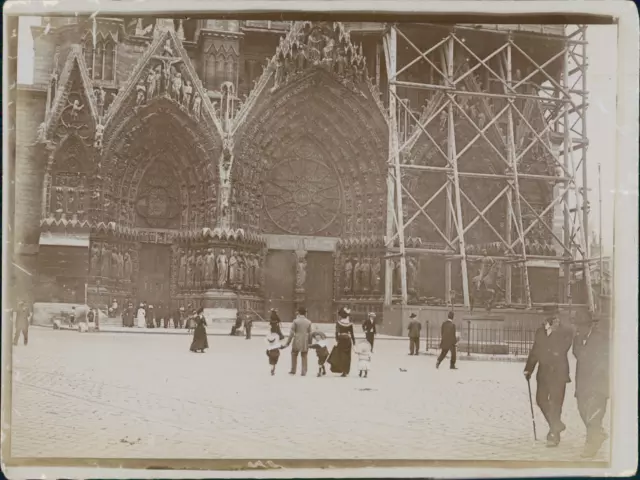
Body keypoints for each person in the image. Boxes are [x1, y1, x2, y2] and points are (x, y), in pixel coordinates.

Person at [524, 312, 573, 447]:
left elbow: (564, 348)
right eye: (549, 317)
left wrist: (555, 333)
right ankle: (556, 424)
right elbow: (535, 350)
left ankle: (553, 435)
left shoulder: (566, 331)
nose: (552, 319)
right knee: (541, 400)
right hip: (543, 373)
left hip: (558, 373)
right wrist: (529, 368)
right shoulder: (540, 331)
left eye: (555, 316)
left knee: (556, 404)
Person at [573, 312, 610, 458]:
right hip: (582, 381)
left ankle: (591, 445)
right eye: (577, 325)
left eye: (580, 326)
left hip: (597, 382)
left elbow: (605, 358)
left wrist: (598, 372)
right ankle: (598, 434)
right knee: (582, 410)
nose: (578, 329)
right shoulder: (577, 338)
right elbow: (576, 353)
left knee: (593, 414)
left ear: (589, 325)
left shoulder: (600, 338)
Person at [284, 306, 313, 376]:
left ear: (298, 312)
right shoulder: (308, 322)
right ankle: (304, 371)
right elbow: (310, 333)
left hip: (297, 339)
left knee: (294, 354)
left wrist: (288, 342)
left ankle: (293, 370)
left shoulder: (295, 321)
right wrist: (310, 343)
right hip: (305, 341)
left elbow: (291, 333)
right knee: (304, 355)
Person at [327, 307, 356, 377]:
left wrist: (337, 339)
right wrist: (354, 341)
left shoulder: (338, 323)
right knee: (347, 356)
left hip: (341, 339)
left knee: (340, 355)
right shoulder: (350, 324)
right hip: (348, 340)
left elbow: (336, 332)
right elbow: (352, 333)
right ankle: (345, 371)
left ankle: (340, 368)